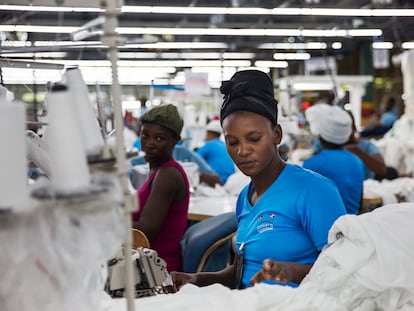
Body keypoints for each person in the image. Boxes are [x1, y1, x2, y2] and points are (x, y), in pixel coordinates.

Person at [169, 70, 346, 291]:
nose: (242, 151)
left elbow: (345, 269)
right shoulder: (245, 197)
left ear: (277, 135)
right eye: (232, 142)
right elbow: (241, 272)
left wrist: (290, 271)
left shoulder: (313, 191)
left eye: (254, 139)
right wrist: (196, 280)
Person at [131, 104, 190, 272]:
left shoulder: (168, 175)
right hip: (146, 265)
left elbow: (146, 231)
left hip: (157, 273)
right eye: (145, 135)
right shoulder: (157, 172)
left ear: (176, 140)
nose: (149, 144)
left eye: (159, 139)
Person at [303, 104, 365, 215]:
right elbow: (359, 204)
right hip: (352, 224)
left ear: (320, 136)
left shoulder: (311, 164)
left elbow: (303, 206)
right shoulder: (357, 161)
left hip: (325, 228)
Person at [196, 119, 235, 185]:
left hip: (218, 180)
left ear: (209, 133)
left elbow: (195, 159)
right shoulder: (224, 145)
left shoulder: (209, 145)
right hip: (230, 180)